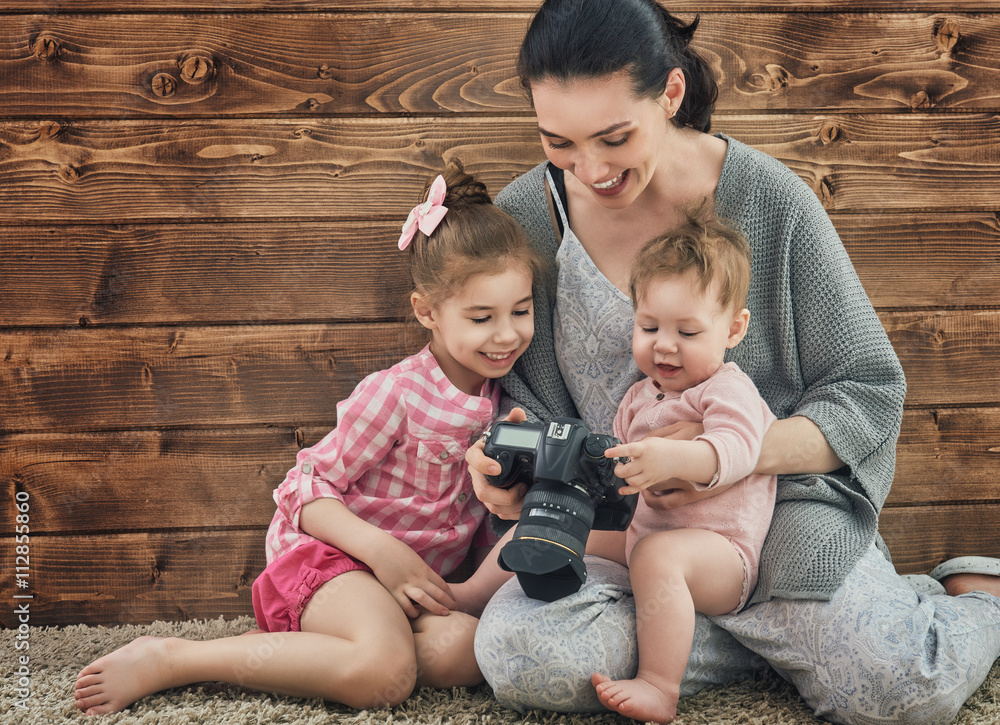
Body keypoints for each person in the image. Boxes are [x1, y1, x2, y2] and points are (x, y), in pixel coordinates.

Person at [465, 1, 1000, 723]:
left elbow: (866, 390)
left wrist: (720, 457)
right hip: (626, 540)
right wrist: (509, 474)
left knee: (905, 686)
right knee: (519, 654)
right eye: (558, 142)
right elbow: (514, 398)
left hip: (766, 521)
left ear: (671, 95)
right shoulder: (529, 219)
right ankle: (754, 631)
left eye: (614, 137)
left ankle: (972, 600)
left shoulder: (770, 202)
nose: (587, 170)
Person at [73, 162, 546, 716]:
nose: (508, 333)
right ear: (427, 312)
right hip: (332, 562)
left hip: (404, 588)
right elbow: (304, 487)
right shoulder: (395, 393)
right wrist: (382, 552)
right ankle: (177, 658)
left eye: (521, 310)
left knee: (465, 652)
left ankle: (345, 651)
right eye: (482, 317)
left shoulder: (506, 404)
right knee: (385, 676)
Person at [586, 212, 777, 723]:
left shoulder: (727, 389)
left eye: (687, 331)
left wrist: (675, 459)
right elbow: (617, 471)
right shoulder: (637, 396)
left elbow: (740, 449)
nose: (663, 344)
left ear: (733, 328)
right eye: (649, 327)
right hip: (646, 533)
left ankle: (658, 684)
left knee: (655, 555)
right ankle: (469, 593)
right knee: (567, 523)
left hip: (720, 557)